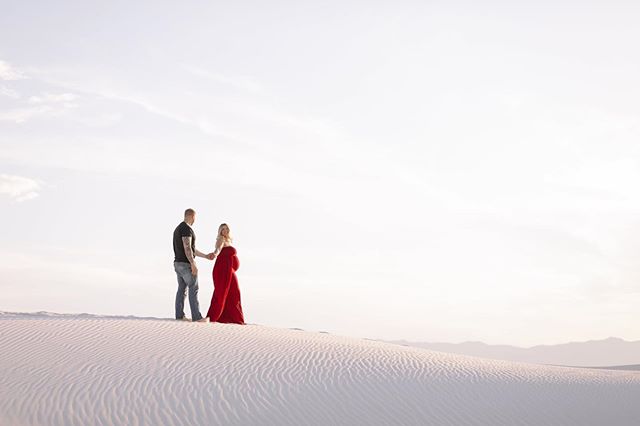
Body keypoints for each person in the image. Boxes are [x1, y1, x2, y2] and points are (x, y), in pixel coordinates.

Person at [172, 208, 214, 322]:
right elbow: (187, 249)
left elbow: (191, 248)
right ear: (192, 216)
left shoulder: (178, 228)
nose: (195, 220)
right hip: (185, 264)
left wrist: (205, 256)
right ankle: (197, 317)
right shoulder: (186, 229)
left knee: (181, 289)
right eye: (195, 218)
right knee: (193, 288)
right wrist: (193, 263)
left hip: (177, 264)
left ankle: (179, 316)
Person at [206, 223, 245, 324]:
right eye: (223, 229)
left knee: (233, 292)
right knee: (224, 292)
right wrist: (214, 254)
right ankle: (215, 317)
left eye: (226, 229)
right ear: (220, 231)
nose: (225, 231)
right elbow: (218, 249)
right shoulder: (221, 239)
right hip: (223, 270)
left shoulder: (228, 240)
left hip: (228, 270)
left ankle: (231, 318)